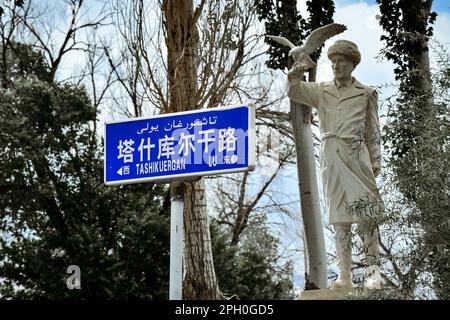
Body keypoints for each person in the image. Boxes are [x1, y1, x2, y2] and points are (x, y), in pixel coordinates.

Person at [287, 40, 384, 290]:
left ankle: (373, 274)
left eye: (342, 61)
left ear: (352, 64)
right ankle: (345, 276)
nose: (336, 65)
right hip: (330, 154)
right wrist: (294, 75)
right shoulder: (321, 89)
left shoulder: (366, 92)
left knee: (368, 215)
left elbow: (373, 130)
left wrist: (376, 161)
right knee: (339, 217)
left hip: (357, 156)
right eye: (333, 61)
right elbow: (295, 91)